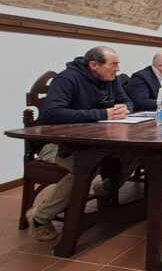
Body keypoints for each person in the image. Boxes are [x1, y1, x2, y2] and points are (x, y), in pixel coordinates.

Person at [26, 47, 139, 241]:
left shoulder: (111, 79)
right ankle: (40, 218)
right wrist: (103, 114)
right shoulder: (67, 79)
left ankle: (104, 190)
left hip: (95, 140)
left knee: (135, 154)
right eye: (113, 64)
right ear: (94, 65)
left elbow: (127, 101)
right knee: (85, 167)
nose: (118, 69)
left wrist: (124, 108)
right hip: (55, 143)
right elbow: (53, 113)